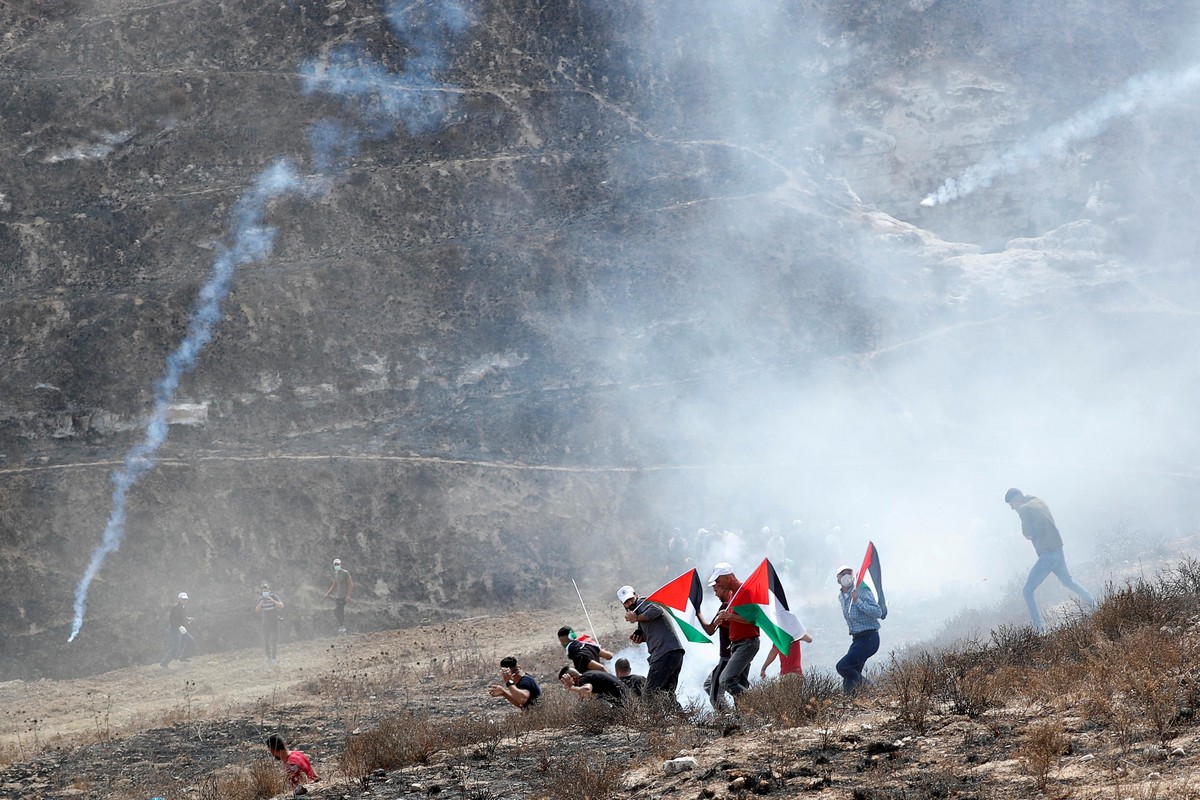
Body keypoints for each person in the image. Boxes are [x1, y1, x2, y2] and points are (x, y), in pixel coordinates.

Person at [1006, 488, 1097, 631]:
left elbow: (1028, 534)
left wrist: (1021, 515)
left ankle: (1039, 629)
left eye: (1012, 504)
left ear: (1017, 499)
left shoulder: (1023, 509)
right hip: (1058, 550)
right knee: (1068, 581)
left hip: (1047, 555)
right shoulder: (1037, 500)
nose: (1012, 508)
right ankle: (1094, 605)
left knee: (1027, 591)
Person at [618, 584, 684, 703]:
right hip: (672, 652)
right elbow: (653, 630)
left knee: (649, 695)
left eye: (630, 599)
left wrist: (636, 617)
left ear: (635, 595)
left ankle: (650, 721)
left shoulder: (643, 602)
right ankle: (681, 720)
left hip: (664, 653)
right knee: (667, 696)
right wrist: (641, 638)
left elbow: (657, 610)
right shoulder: (640, 610)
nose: (629, 603)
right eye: (626, 602)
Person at [708, 563, 761, 706]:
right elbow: (735, 623)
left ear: (728, 577)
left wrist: (729, 617)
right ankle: (745, 718)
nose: (718, 584)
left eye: (719, 580)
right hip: (737, 643)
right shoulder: (732, 594)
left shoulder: (746, 591)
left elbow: (753, 619)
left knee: (726, 680)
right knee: (740, 683)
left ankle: (757, 704)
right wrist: (723, 621)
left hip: (747, 642)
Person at [835, 565, 882, 694]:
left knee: (842, 666)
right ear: (838, 579)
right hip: (857, 639)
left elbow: (878, 612)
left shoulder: (861, 591)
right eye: (842, 573)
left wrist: (857, 601)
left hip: (869, 637)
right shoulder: (841, 597)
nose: (846, 575)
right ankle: (850, 699)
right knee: (851, 672)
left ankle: (871, 687)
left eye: (848, 572)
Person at [697, 580, 733, 711]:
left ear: (722, 588)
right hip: (730, 655)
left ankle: (731, 721)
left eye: (716, 591)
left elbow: (710, 629)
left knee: (715, 695)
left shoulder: (726, 606)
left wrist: (698, 613)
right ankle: (731, 716)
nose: (716, 595)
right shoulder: (731, 604)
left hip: (728, 656)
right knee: (708, 685)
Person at [159, 592, 195, 669]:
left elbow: (181, 617)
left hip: (181, 629)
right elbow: (172, 620)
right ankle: (164, 663)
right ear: (179, 599)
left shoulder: (183, 606)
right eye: (183, 599)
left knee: (190, 641)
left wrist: (187, 619)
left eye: (186, 599)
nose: (185, 601)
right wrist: (179, 627)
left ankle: (183, 657)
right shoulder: (175, 607)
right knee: (176, 647)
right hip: (175, 629)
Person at [558, 666, 628, 705]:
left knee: (588, 706)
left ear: (573, 678)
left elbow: (587, 690)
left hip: (622, 703)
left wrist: (571, 687)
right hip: (627, 700)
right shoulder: (588, 674)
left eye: (565, 682)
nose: (565, 685)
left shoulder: (584, 679)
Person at [255, 583, 285, 665]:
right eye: (264, 591)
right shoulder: (260, 599)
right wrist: (260, 604)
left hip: (274, 622)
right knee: (266, 641)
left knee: (273, 640)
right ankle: (268, 657)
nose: (265, 592)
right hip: (265, 623)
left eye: (266, 591)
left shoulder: (274, 597)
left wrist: (273, 601)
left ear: (269, 590)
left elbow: (281, 605)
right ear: (261, 592)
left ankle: (274, 658)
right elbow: (257, 611)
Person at [323, 558, 352, 634]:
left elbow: (350, 584)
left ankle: (342, 627)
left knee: (337, 611)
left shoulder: (346, 573)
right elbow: (334, 584)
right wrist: (328, 593)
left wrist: (348, 595)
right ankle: (342, 627)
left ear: (340, 564)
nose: (336, 566)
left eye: (338, 564)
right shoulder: (335, 573)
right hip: (338, 595)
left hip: (343, 596)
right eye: (335, 564)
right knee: (339, 611)